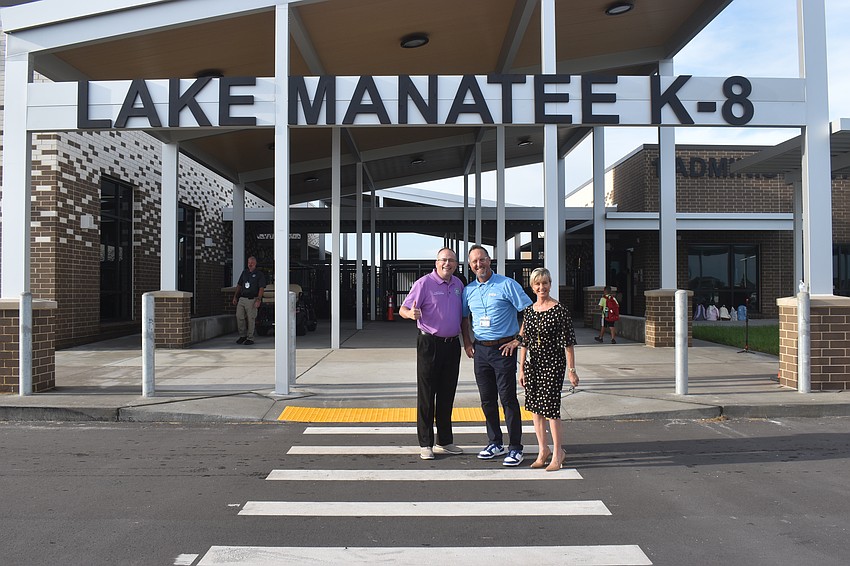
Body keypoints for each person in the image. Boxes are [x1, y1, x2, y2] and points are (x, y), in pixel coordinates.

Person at [461, 245, 532, 466]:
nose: (478, 264)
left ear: (489, 260)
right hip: (480, 350)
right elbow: (465, 318)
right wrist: (467, 343)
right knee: (487, 400)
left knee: (508, 400)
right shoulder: (468, 290)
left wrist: (518, 340)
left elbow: (529, 312)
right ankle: (495, 442)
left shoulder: (507, 284)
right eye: (474, 262)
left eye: (482, 260)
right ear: (470, 265)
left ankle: (516, 447)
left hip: (504, 349)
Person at [400, 248, 465, 461]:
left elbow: (463, 316)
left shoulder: (458, 284)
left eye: (451, 261)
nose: (448, 264)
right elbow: (403, 308)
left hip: (452, 344)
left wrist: (468, 342)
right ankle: (425, 443)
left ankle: (445, 441)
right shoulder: (424, 283)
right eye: (444, 260)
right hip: (429, 343)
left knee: (447, 393)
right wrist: (411, 314)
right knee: (427, 395)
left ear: (456, 264)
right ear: (437, 262)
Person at [517, 267, 579, 471]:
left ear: (550, 284)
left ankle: (558, 452)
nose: (541, 287)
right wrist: (522, 369)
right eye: (537, 283)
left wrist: (572, 370)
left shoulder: (560, 310)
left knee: (551, 409)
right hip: (533, 365)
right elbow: (524, 341)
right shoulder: (529, 311)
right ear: (532, 286)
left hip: (553, 364)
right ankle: (543, 450)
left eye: (545, 283)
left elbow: (568, 343)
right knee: (535, 409)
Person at [232, 256, 267, 345]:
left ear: (255, 263)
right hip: (242, 298)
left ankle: (250, 338)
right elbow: (239, 285)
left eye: (252, 263)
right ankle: (242, 336)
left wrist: (258, 300)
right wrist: (235, 296)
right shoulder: (244, 272)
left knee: (251, 319)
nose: (250, 264)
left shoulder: (259, 274)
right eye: (248, 263)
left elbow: (261, 288)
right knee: (239, 316)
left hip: (252, 299)